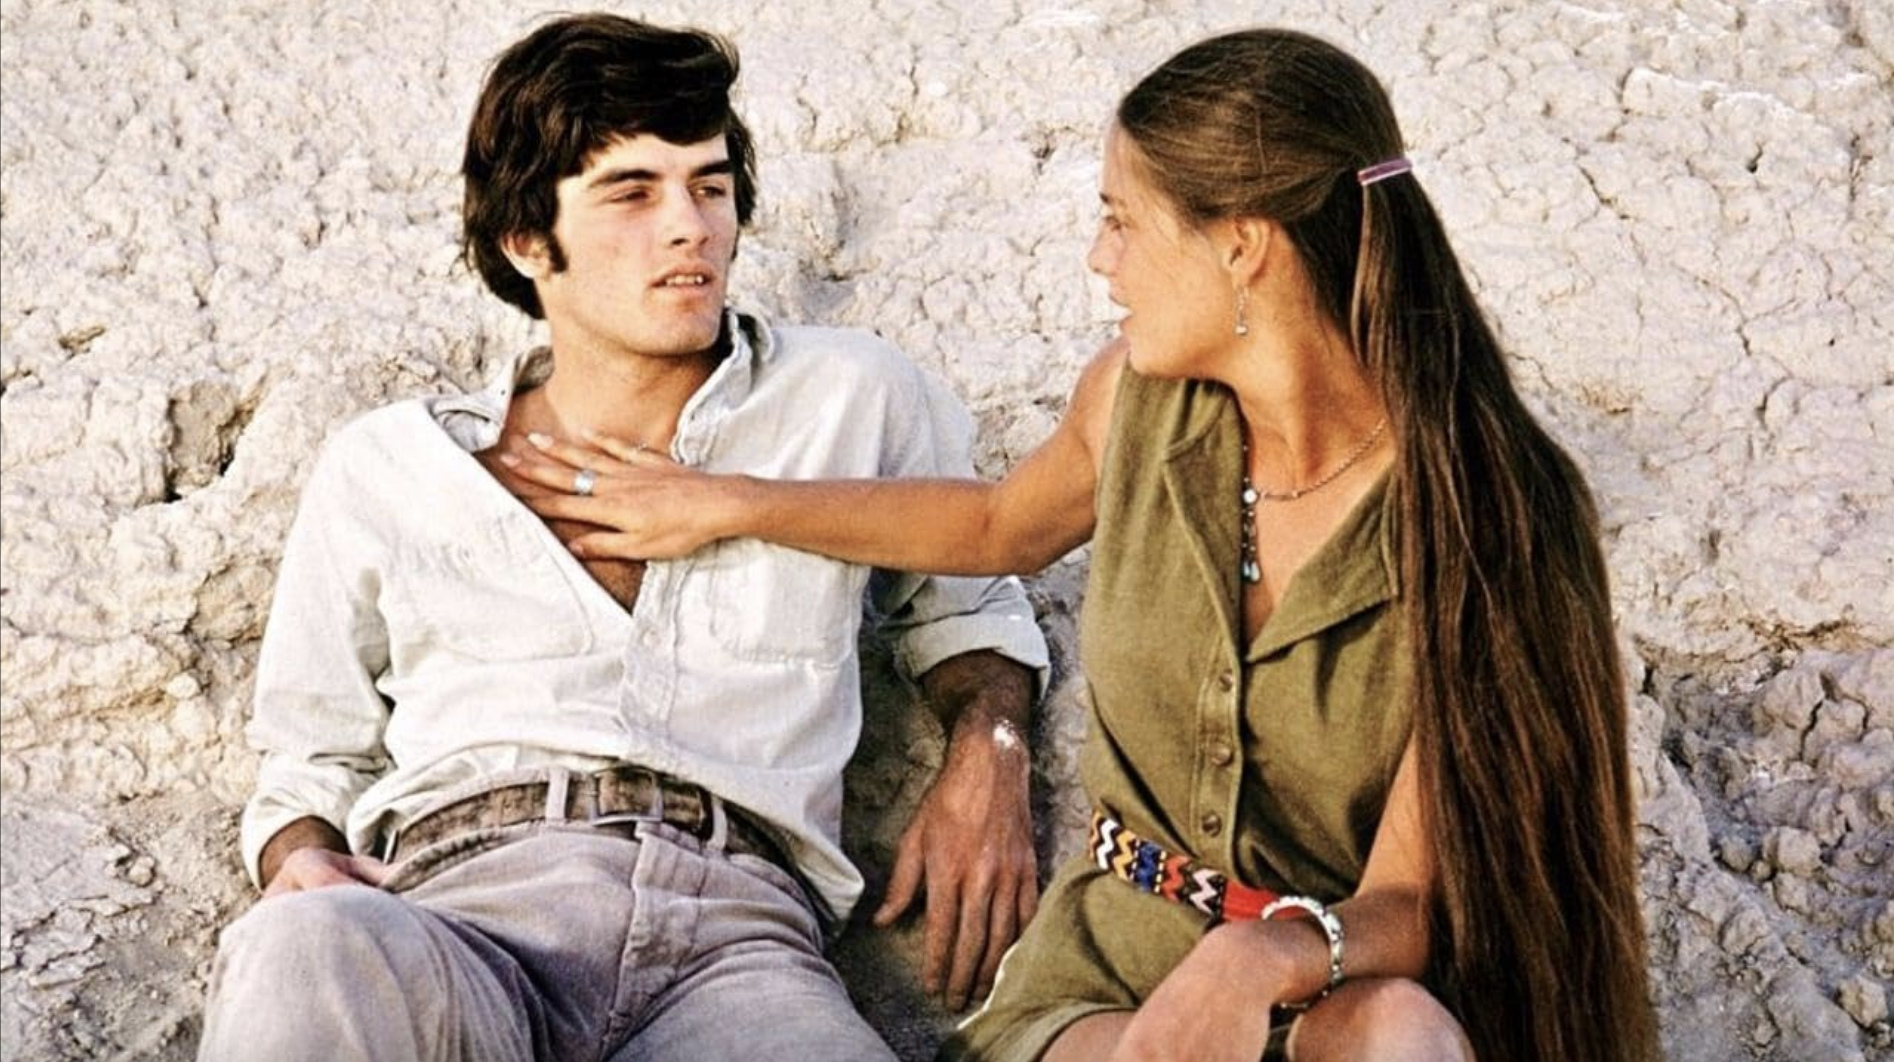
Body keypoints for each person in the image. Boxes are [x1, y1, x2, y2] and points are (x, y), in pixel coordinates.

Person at [502, 27, 1662, 1062]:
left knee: (1400, 1037)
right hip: (1103, 978)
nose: (1100, 260)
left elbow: (1410, 898)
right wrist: (726, 503)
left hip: (1339, 979)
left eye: (1121, 220)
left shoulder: (1490, 513)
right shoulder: (1134, 401)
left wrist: (1255, 957)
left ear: (1242, 246)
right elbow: (994, 525)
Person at [196, 14, 1050, 1062]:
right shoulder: (389, 469)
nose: (690, 227)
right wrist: (298, 856)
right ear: (526, 239)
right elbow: (310, 755)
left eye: (709, 186)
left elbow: (971, 605)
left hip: (738, 948)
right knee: (300, 947)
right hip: (464, 919)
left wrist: (991, 756)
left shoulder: (850, 397)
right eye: (632, 193)